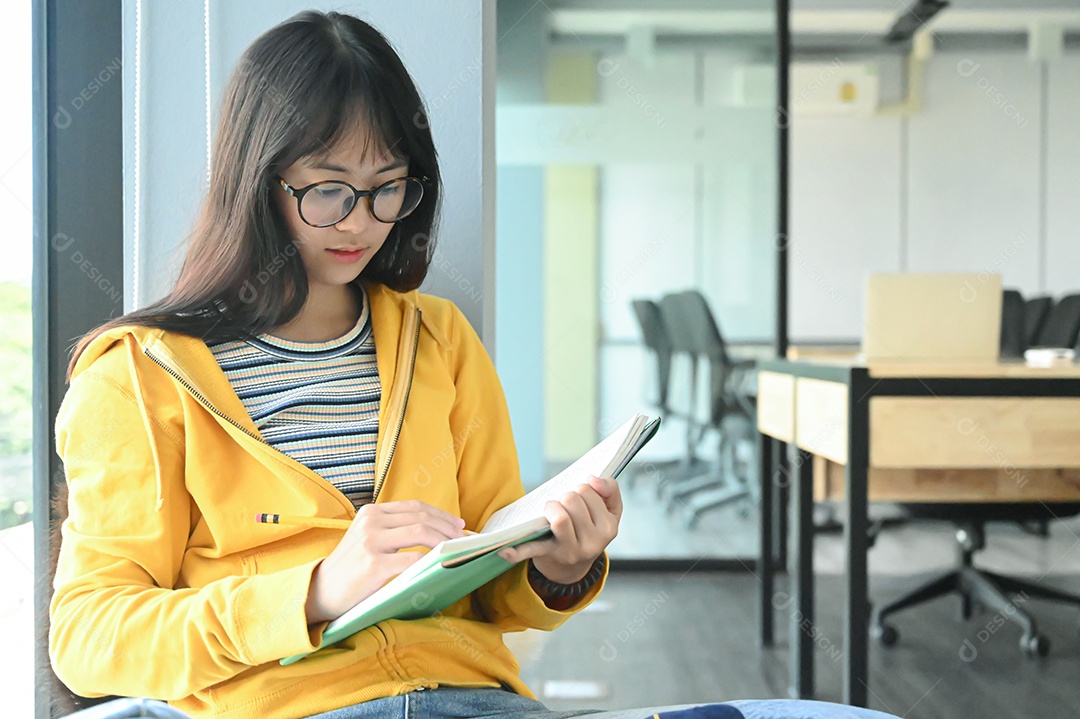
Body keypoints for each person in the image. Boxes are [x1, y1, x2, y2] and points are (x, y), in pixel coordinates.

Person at [49, 10, 899, 719]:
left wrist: (560, 566)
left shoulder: (439, 339)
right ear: (255, 180)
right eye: (328, 187)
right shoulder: (140, 374)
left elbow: (493, 571)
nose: (363, 221)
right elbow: (90, 636)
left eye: (389, 187)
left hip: (473, 700)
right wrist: (310, 591)